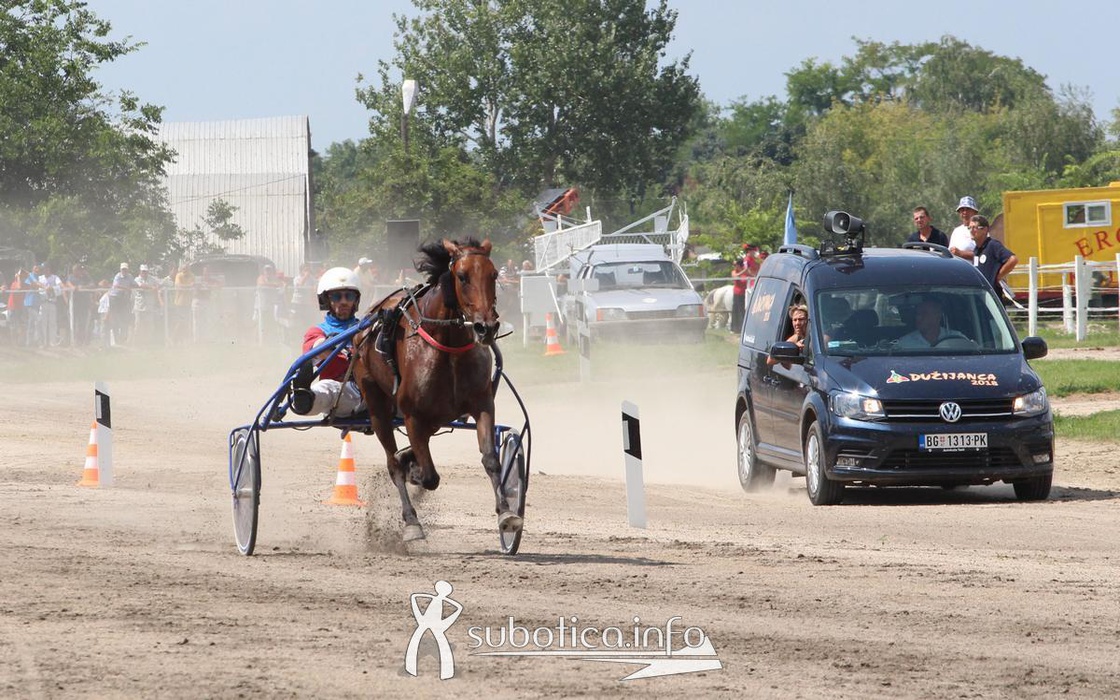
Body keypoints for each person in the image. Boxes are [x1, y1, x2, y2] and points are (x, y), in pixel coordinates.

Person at [289, 267, 365, 417]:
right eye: (337, 297)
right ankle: (304, 398)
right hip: (342, 393)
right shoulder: (318, 331)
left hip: (375, 391)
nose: (343, 302)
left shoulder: (366, 328)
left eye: (349, 296)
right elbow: (317, 349)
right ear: (327, 301)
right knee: (326, 388)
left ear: (355, 300)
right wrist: (333, 346)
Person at [969, 214, 1018, 295]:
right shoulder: (976, 250)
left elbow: (1013, 260)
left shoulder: (992, 245)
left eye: (975, 227)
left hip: (992, 296)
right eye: (970, 228)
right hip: (980, 295)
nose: (971, 230)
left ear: (985, 230)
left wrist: (998, 276)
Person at [897, 298, 968, 348]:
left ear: (938, 316)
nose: (918, 318)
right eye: (917, 314)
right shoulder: (904, 343)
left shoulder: (957, 339)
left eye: (924, 314)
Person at [108, 262, 136, 344]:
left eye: (125, 269)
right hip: (114, 299)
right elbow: (116, 285)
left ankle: (123, 339)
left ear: (127, 269)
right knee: (115, 319)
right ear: (120, 269)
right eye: (123, 269)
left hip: (123, 299)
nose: (124, 271)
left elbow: (135, 284)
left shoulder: (130, 276)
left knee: (124, 318)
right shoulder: (118, 276)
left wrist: (134, 287)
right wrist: (127, 288)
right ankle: (116, 340)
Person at [948, 196, 979, 261]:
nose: (965, 212)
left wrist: (961, 253)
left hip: (973, 270)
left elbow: (984, 255)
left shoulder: (981, 230)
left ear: (975, 212)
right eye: (962, 210)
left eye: (968, 209)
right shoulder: (956, 231)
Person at [730, 258, 750, 333]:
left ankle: (742, 328)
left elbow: (753, 275)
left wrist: (747, 270)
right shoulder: (734, 272)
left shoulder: (745, 272)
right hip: (737, 293)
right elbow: (735, 276)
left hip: (743, 294)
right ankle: (734, 328)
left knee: (742, 311)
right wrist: (744, 271)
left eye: (736, 265)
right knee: (736, 310)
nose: (735, 267)